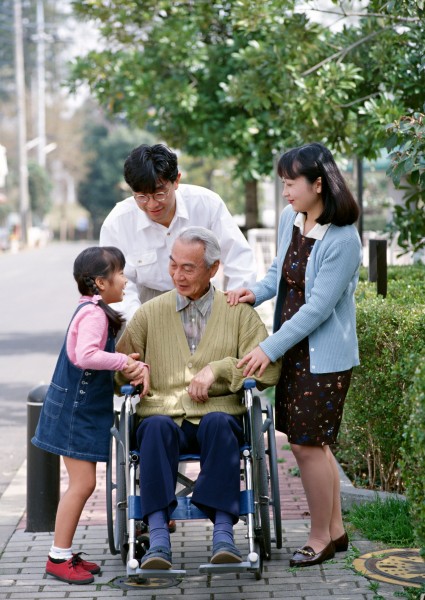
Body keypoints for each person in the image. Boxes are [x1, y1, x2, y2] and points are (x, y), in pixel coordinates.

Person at [226, 142, 362, 568]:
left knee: (307, 446)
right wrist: (256, 291)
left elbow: (319, 308)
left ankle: (319, 535)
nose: (284, 192)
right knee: (313, 445)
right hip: (293, 348)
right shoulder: (292, 218)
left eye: (290, 183)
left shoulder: (343, 239)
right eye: (282, 183)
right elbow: (277, 273)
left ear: (318, 184)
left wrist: (268, 347)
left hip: (324, 357)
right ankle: (336, 530)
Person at [115, 227, 281, 570]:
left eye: (188, 268)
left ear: (213, 268)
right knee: (156, 428)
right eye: (173, 265)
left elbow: (269, 371)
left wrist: (220, 370)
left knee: (220, 423)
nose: (178, 275)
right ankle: (158, 536)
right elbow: (120, 370)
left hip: (217, 414)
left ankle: (224, 533)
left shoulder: (237, 312)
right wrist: (133, 369)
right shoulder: (149, 313)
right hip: (163, 414)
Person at [31, 247, 149, 585]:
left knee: (82, 484)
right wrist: (124, 362)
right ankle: (57, 557)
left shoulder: (92, 309)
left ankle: (64, 552)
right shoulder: (95, 314)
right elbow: (85, 356)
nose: (125, 279)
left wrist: (122, 359)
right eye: (120, 273)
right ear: (100, 282)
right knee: (81, 484)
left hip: (77, 410)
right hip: (74, 413)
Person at [99, 143, 256, 322]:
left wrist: (233, 308)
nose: (151, 205)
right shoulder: (117, 223)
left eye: (160, 194)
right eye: (141, 197)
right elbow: (117, 284)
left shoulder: (206, 204)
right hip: (144, 304)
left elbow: (239, 258)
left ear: (176, 181)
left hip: (202, 299)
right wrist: (139, 324)